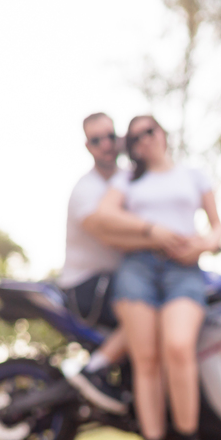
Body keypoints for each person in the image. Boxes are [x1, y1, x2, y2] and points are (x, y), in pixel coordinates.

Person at [94, 115, 221, 440]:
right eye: (134, 138)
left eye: (149, 132)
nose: (143, 140)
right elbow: (105, 215)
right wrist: (151, 230)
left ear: (162, 133)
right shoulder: (127, 180)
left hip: (184, 270)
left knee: (178, 347)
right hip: (138, 268)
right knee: (145, 359)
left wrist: (203, 247)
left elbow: (216, 229)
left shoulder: (193, 176)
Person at [55, 113, 135, 413]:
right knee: (148, 305)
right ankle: (94, 369)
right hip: (87, 286)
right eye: (96, 140)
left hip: (116, 280)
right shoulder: (85, 190)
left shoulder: (127, 178)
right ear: (87, 146)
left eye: (110, 136)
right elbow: (110, 235)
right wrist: (166, 241)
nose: (105, 145)